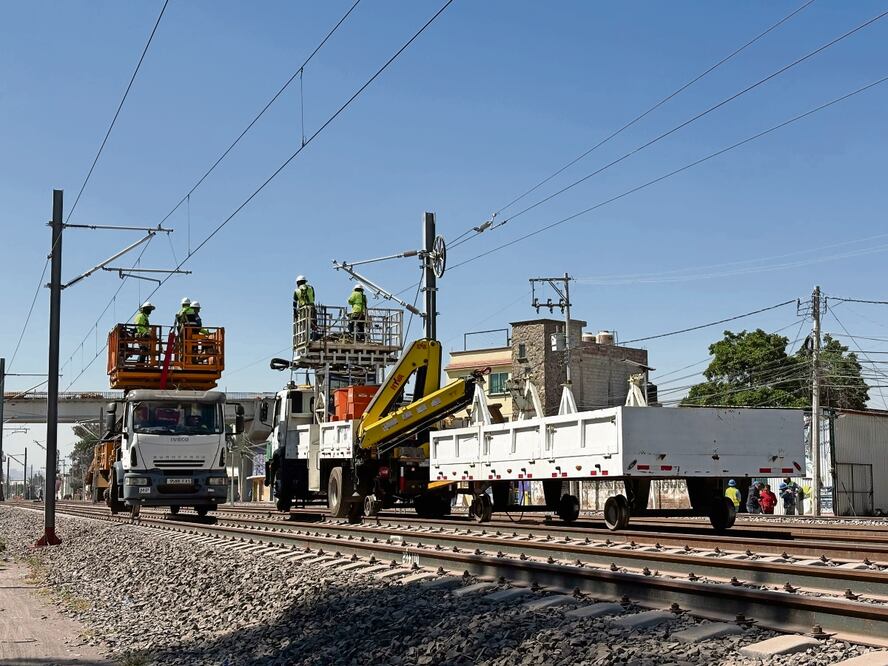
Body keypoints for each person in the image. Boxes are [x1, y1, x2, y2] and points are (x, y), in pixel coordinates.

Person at [293, 275, 317, 340]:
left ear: (298, 283)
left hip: (303, 309)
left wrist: (295, 313)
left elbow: (294, 303)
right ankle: (314, 336)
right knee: (313, 321)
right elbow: (314, 298)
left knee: (304, 323)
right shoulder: (311, 288)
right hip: (312, 307)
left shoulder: (296, 291)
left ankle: (305, 337)